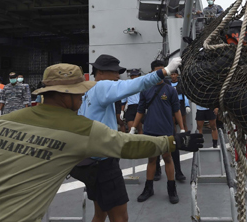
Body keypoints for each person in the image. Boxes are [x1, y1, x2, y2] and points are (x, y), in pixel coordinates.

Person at [0, 63, 203, 222]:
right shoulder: (79, 129)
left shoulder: (3, 122)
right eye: (79, 93)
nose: (83, 97)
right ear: (65, 94)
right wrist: (175, 141)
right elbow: (128, 145)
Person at [78, 54, 182, 222]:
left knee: (100, 213)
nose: (118, 76)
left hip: (90, 161)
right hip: (105, 163)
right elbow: (134, 84)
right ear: (101, 72)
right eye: (115, 72)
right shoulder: (103, 86)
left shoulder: (86, 91)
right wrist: (165, 71)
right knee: (121, 217)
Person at [131, 60, 186, 204]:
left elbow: (177, 111)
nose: (162, 73)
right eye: (158, 71)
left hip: (166, 131)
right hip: (150, 130)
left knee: (168, 158)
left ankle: (171, 189)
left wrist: (182, 128)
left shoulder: (170, 90)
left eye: (164, 70)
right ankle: (149, 188)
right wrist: (133, 128)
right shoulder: (145, 90)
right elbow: (140, 111)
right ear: (152, 72)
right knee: (151, 160)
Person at [121, 68, 142, 134]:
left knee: (140, 128)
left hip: (139, 106)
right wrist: (122, 111)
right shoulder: (127, 85)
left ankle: (141, 143)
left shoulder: (142, 85)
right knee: (130, 129)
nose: (134, 77)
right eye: (133, 76)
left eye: (136, 75)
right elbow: (123, 100)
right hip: (130, 107)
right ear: (131, 77)